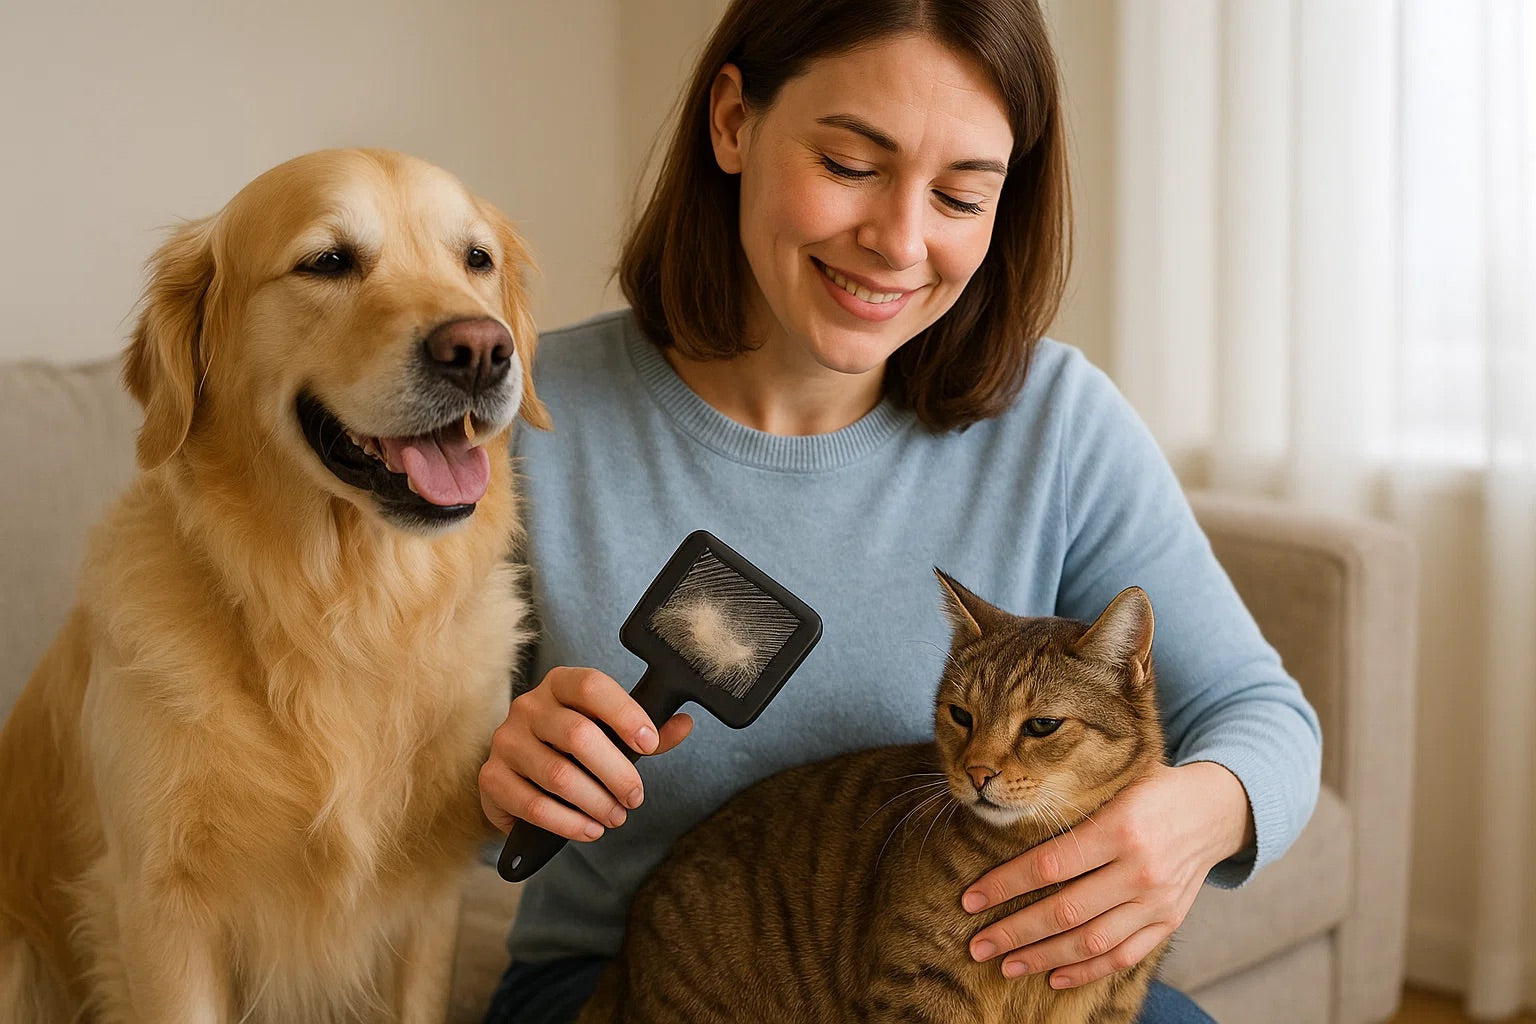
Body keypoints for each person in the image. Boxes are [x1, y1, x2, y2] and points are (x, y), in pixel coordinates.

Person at [477, 1, 1321, 1021]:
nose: (899, 242)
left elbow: (1264, 717)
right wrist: (479, 764)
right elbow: (359, 775)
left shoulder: (1056, 421)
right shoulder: (523, 412)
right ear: (734, 122)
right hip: (644, 979)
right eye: (849, 165)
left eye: (962, 196)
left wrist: (1200, 813)